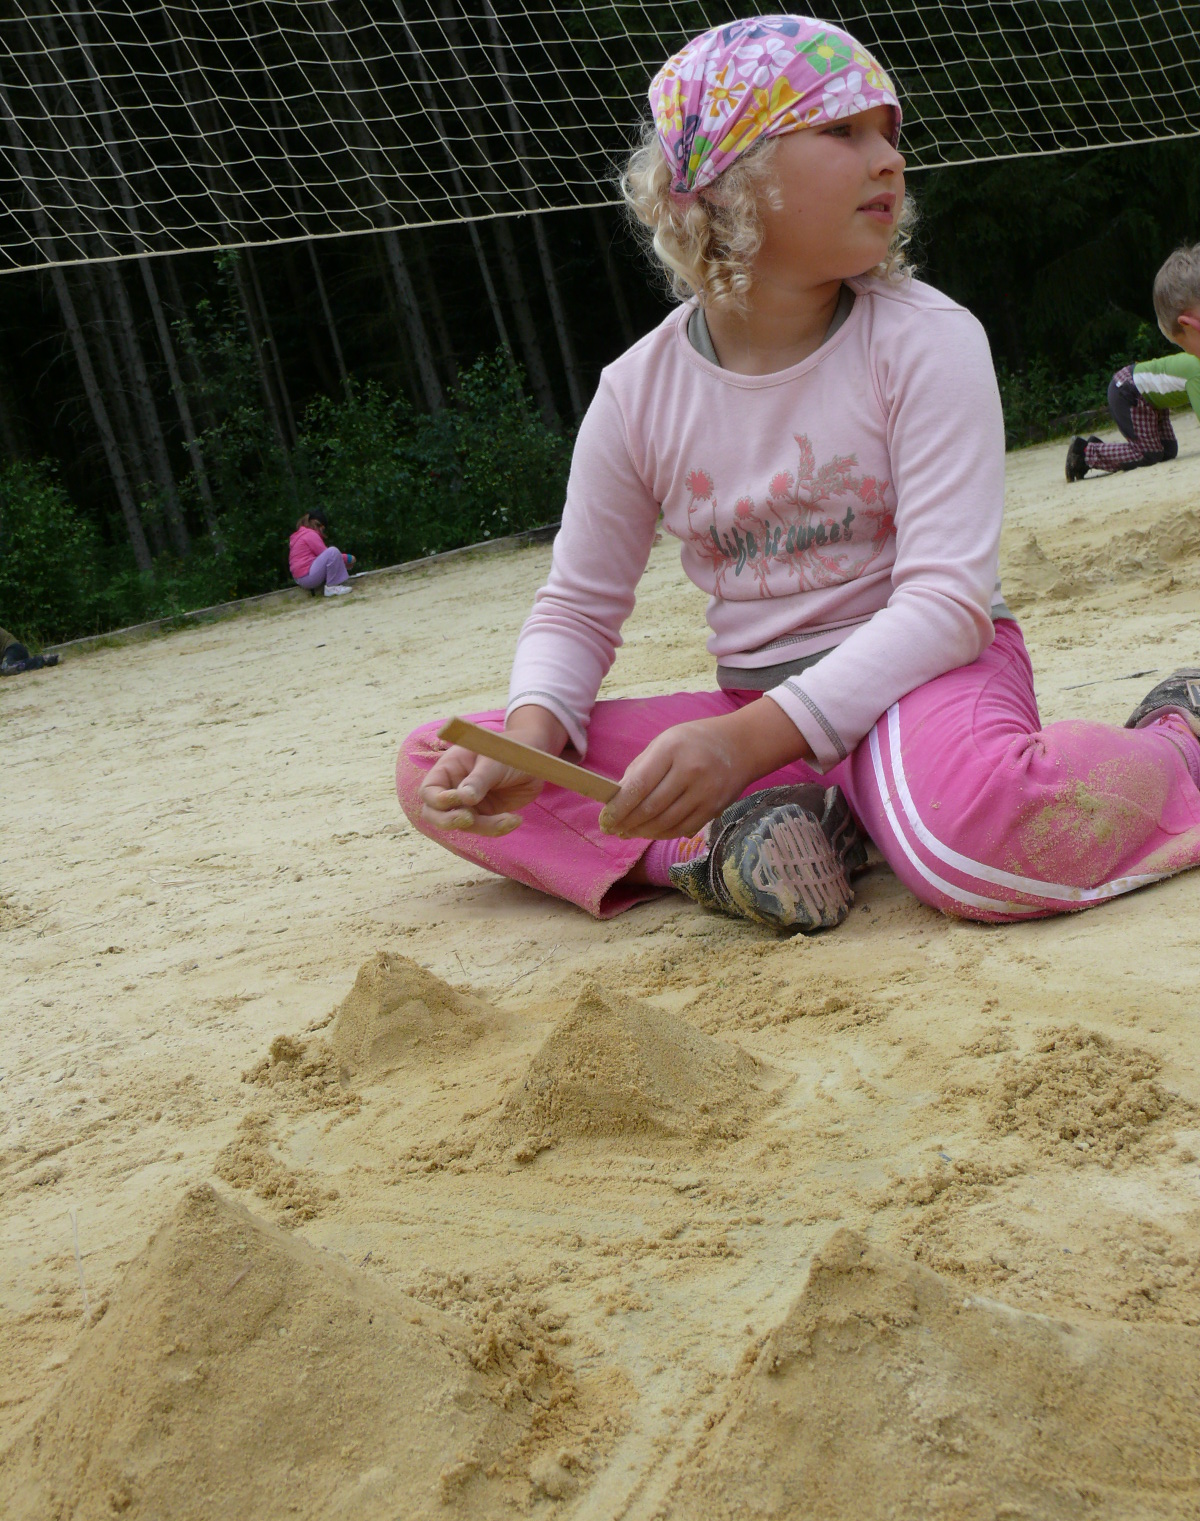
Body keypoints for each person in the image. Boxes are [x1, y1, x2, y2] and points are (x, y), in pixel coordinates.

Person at [396, 14, 1200, 934]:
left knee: (973, 848)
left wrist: (743, 744)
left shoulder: (926, 341)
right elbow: (577, 607)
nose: (890, 158)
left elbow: (947, 605)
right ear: (727, 180)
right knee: (441, 765)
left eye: (888, 133)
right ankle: (735, 842)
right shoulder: (636, 392)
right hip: (757, 717)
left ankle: (1180, 741)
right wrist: (532, 732)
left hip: (925, 683)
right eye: (843, 130)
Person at [1066, 243, 1200, 480]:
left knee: (1167, 451)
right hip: (1128, 390)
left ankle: (1100, 449)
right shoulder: (1196, 370)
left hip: (1146, 397)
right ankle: (1084, 453)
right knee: (1149, 453)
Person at [288, 509, 355, 596]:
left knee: (331, 555)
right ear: (319, 525)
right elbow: (326, 554)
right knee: (332, 551)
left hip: (300, 578)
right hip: (308, 577)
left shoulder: (300, 535)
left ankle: (331, 586)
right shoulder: (310, 534)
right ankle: (332, 587)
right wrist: (349, 558)